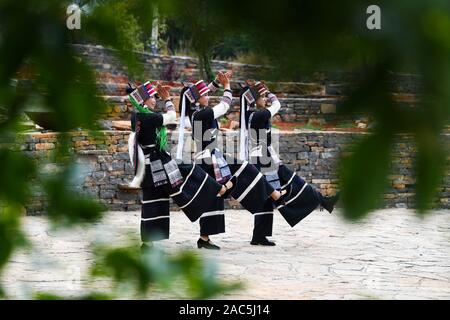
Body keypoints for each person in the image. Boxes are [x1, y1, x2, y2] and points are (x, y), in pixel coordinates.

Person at [177, 71, 285, 248]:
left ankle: (204, 238)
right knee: (242, 174)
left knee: (216, 195)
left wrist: (217, 82)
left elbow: (207, 92)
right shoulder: (200, 115)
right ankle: (274, 194)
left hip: (213, 157)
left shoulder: (198, 112)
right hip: (207, 159)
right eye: (203, 95)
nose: (207, 95)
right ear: (196, 100)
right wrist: (227, 86)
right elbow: (224, 106)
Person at [125, 81, 227, 250]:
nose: (154, 100)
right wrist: (167, 99)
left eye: (155, 97)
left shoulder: (137, 115)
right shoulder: (149, 117)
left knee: (153, 202)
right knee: (188, 170)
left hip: (149, 168)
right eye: (151, 97)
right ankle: (217, 189)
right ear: (143, 100)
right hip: (158, 165)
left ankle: (147, 244)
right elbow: (172, 116)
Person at [239, 81, 339, 233]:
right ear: (254, 99)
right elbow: (276, 106)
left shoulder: (250, 115)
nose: (265, 99)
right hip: (263, 159)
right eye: (263, 97)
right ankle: (323, 201)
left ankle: (259, 235)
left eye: (266, 97)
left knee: (266, 197)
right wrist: (271, 93)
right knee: (293, 181)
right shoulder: (258, 115)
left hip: (263, 157)